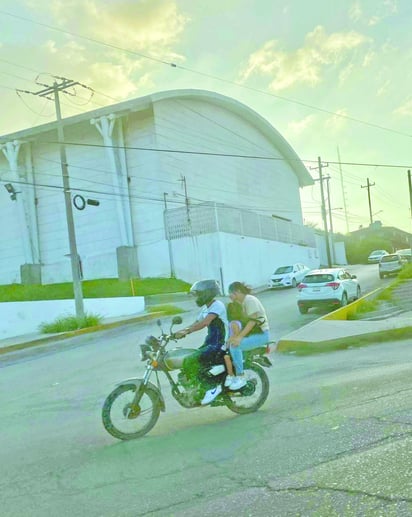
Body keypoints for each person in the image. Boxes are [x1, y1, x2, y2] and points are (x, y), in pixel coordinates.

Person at [175, 279, 229, 405]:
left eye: (198, 294)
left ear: (207, 293)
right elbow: (196, 323)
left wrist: (187, 332)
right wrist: (177, 333)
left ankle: (211, 388)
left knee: (190, 360)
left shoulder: (217, 306)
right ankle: (196, 390)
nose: (197, 298)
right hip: (211, 342)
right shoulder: (206, 307)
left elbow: (205, 323)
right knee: (190, 361)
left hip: (220, 344)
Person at [227, 281, 270, 390]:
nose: (229, 297)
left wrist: (239, 338)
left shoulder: (250, 300)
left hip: (261, 334)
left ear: (237, 292)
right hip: (253, 334)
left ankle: (240, 376)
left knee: (235, 346)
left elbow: (252, 321)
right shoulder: (241, 303)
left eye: (230, 294)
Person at [224, 301, 247, 388]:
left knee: (237, 361)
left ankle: (239, 377)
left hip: (235, 346)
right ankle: (231, 376)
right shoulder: (237, 322)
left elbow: (235, 334)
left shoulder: (233, 323)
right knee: (228, 358)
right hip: (234, 345)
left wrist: (228, 342)